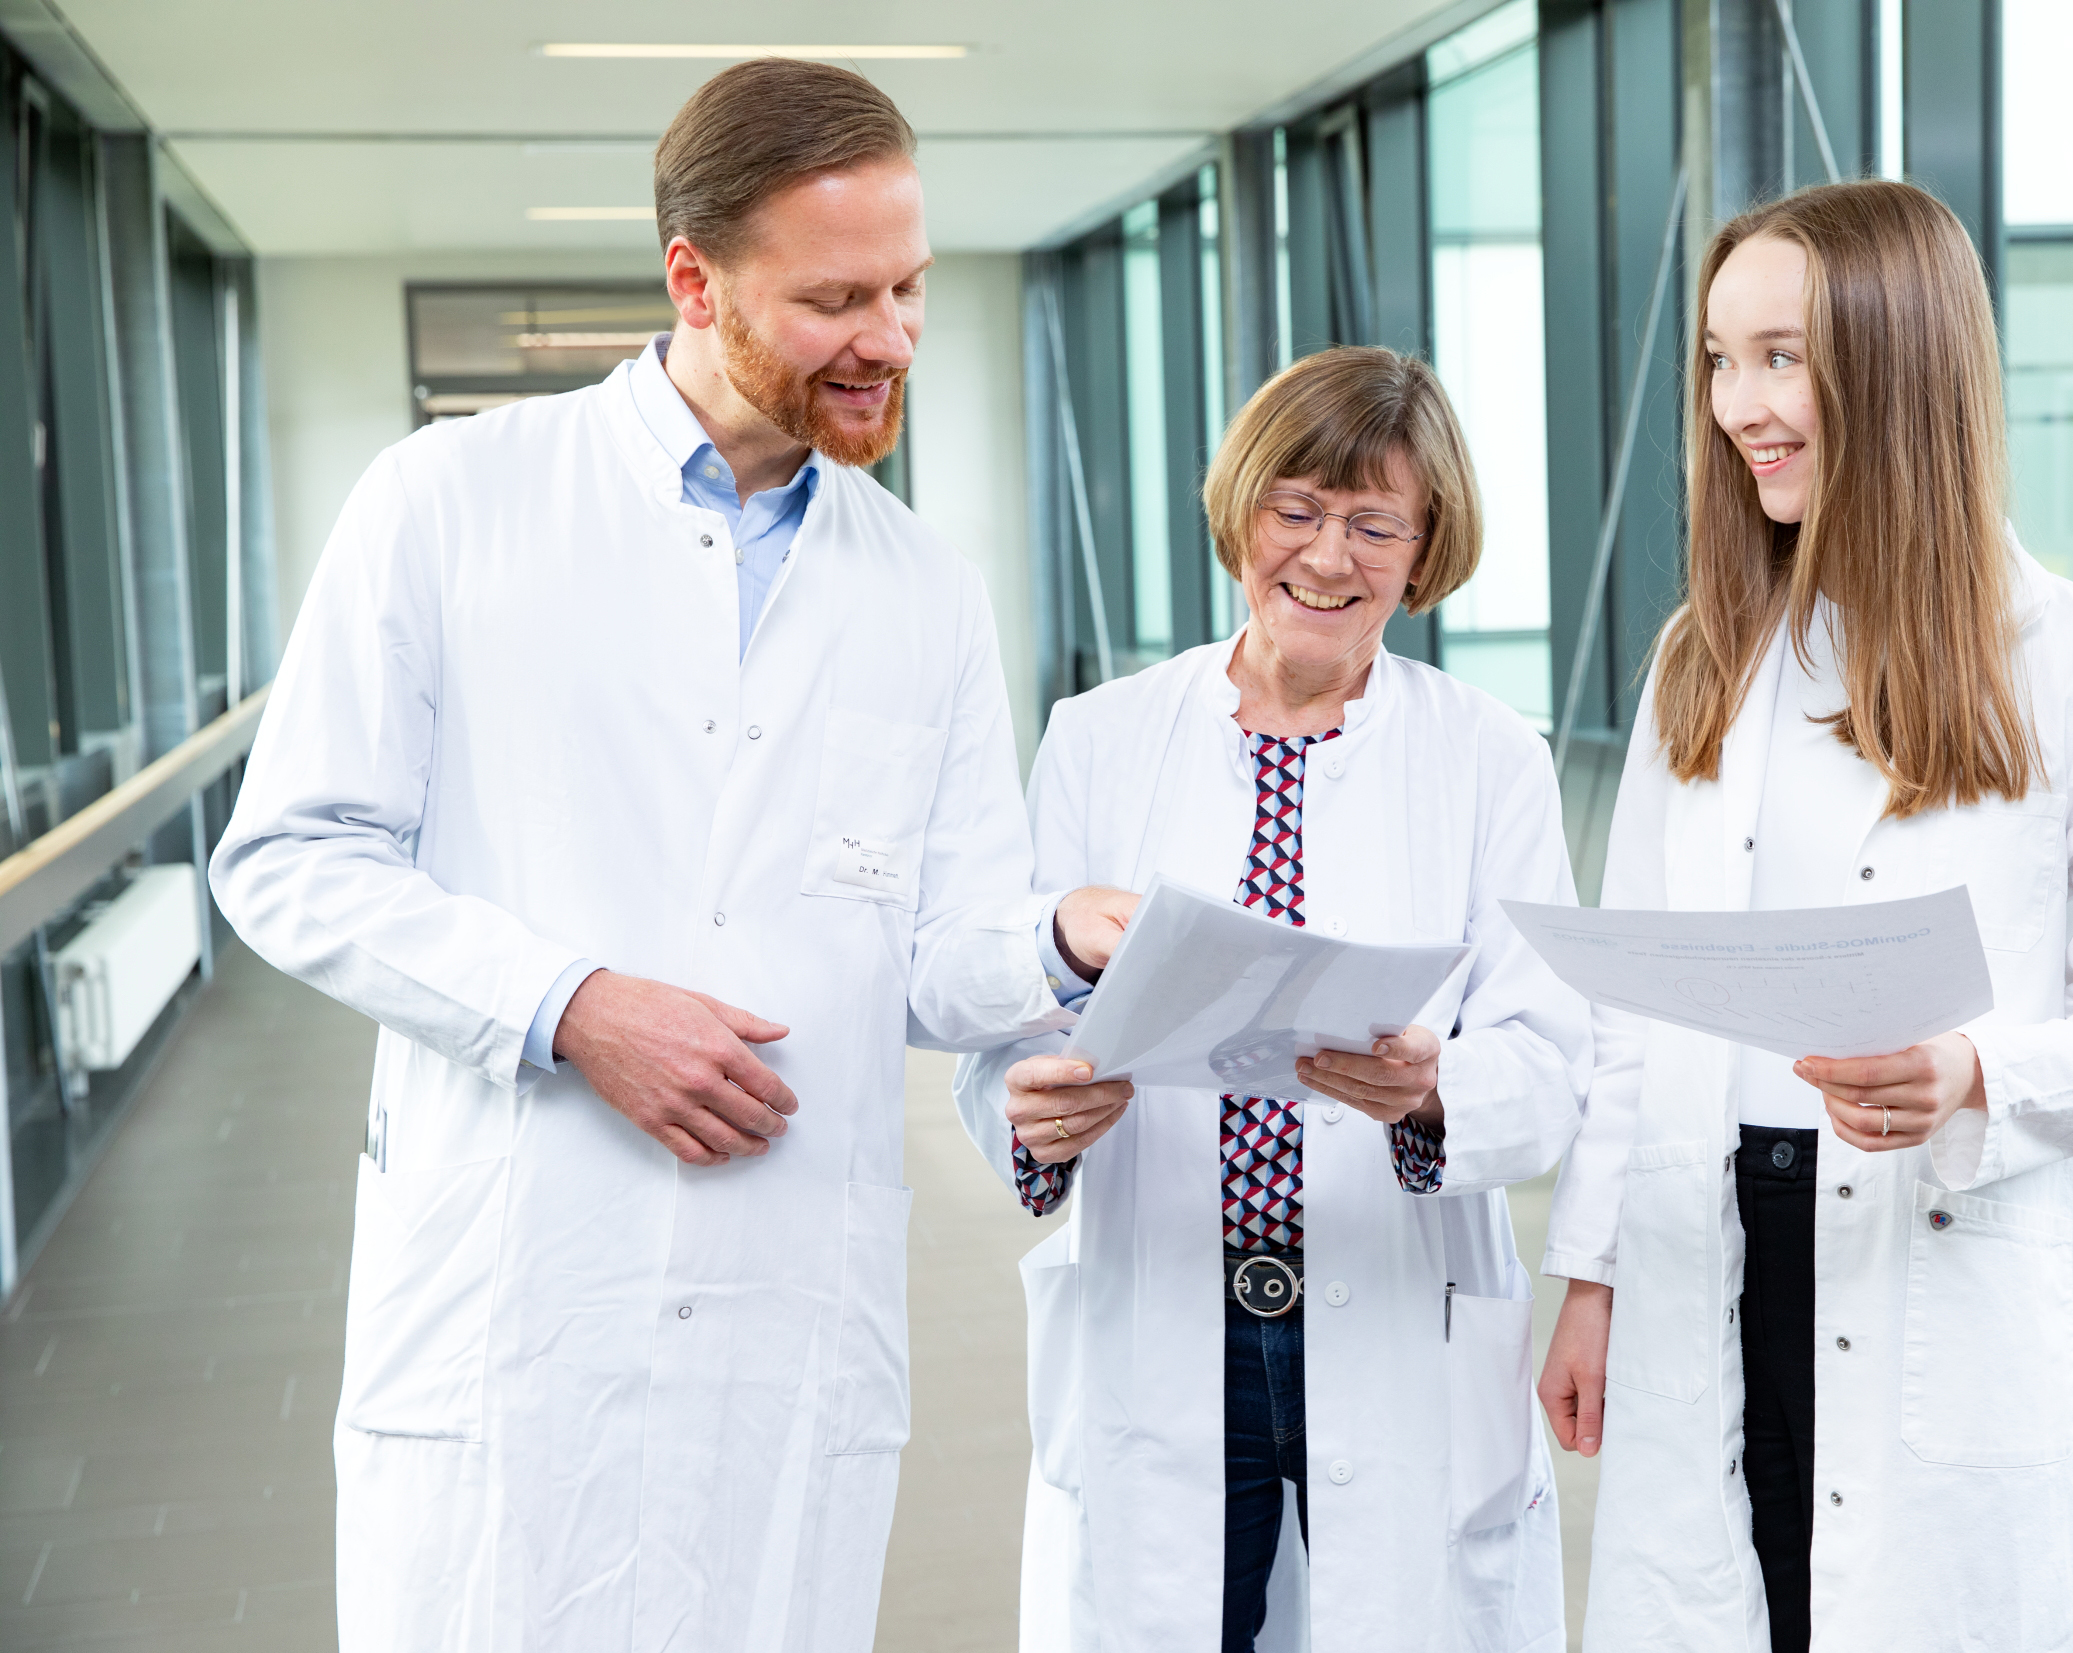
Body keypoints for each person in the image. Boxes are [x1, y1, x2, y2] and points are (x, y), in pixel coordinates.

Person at [210, 59, 1129, 1653]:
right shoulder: (451, 502)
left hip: (790, 1309)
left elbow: (939, 946)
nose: (894, 335)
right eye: (840, 296)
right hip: (518, 1294)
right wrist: (570, 1004)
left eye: (911, 285)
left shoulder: (923, 588)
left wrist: (1059, 939)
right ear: (695, 279)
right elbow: (290, 854)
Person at [1534, 180, 2073, 1652]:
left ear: (1897, 360)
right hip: (1704, 1238)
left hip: (1938, 1240)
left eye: (1780, 356)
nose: (1737, 406)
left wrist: (1977, 1072)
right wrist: (1587, 1274)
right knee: (1730, 1596)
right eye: (1719, 359)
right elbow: (1627, 1010)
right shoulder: (1702, 662)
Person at [955, 346, 1591, 1653]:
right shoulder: (1099, 737)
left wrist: (1433, 1088)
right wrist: (1031, 1113)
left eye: (1374, 522)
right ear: (1244, 509)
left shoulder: (1490, 758)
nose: (1328, 555)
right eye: (1296, 509)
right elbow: (1008, 1024)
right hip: (1165, 1299)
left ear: (1425, 548)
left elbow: (1550, 1055)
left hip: (1391, 1301)